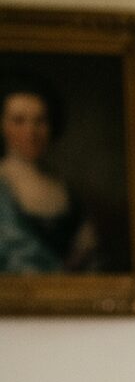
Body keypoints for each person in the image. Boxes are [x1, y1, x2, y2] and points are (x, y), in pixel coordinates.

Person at [0, 79, 99, 274]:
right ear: (2, 125)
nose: (31, 132)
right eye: (19, 120)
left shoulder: (65, 188)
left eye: (40, 121)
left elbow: (90, 253)